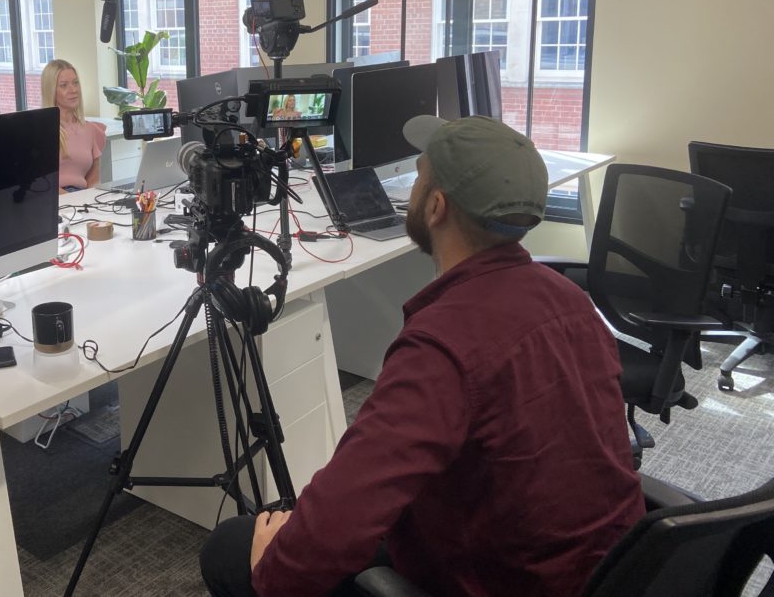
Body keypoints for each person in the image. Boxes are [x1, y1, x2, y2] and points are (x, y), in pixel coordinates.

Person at [199, 115, 644, 597]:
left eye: (418, 176)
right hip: (607, 571)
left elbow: (345, 511)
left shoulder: (444, 346)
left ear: (436, 206)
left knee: (233, 549)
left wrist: (273, 570)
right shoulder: (571, 301)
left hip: (495, 577)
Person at [41, 59, 107, 193]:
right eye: (64, 85)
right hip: (54, 200)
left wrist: (87, 199)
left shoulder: (90, 129)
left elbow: (94, 176)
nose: (73, 90)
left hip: (81, 198)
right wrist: (72, 199)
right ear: (51, 91)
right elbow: (39, 180)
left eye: (75, 83)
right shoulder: (41, 130)